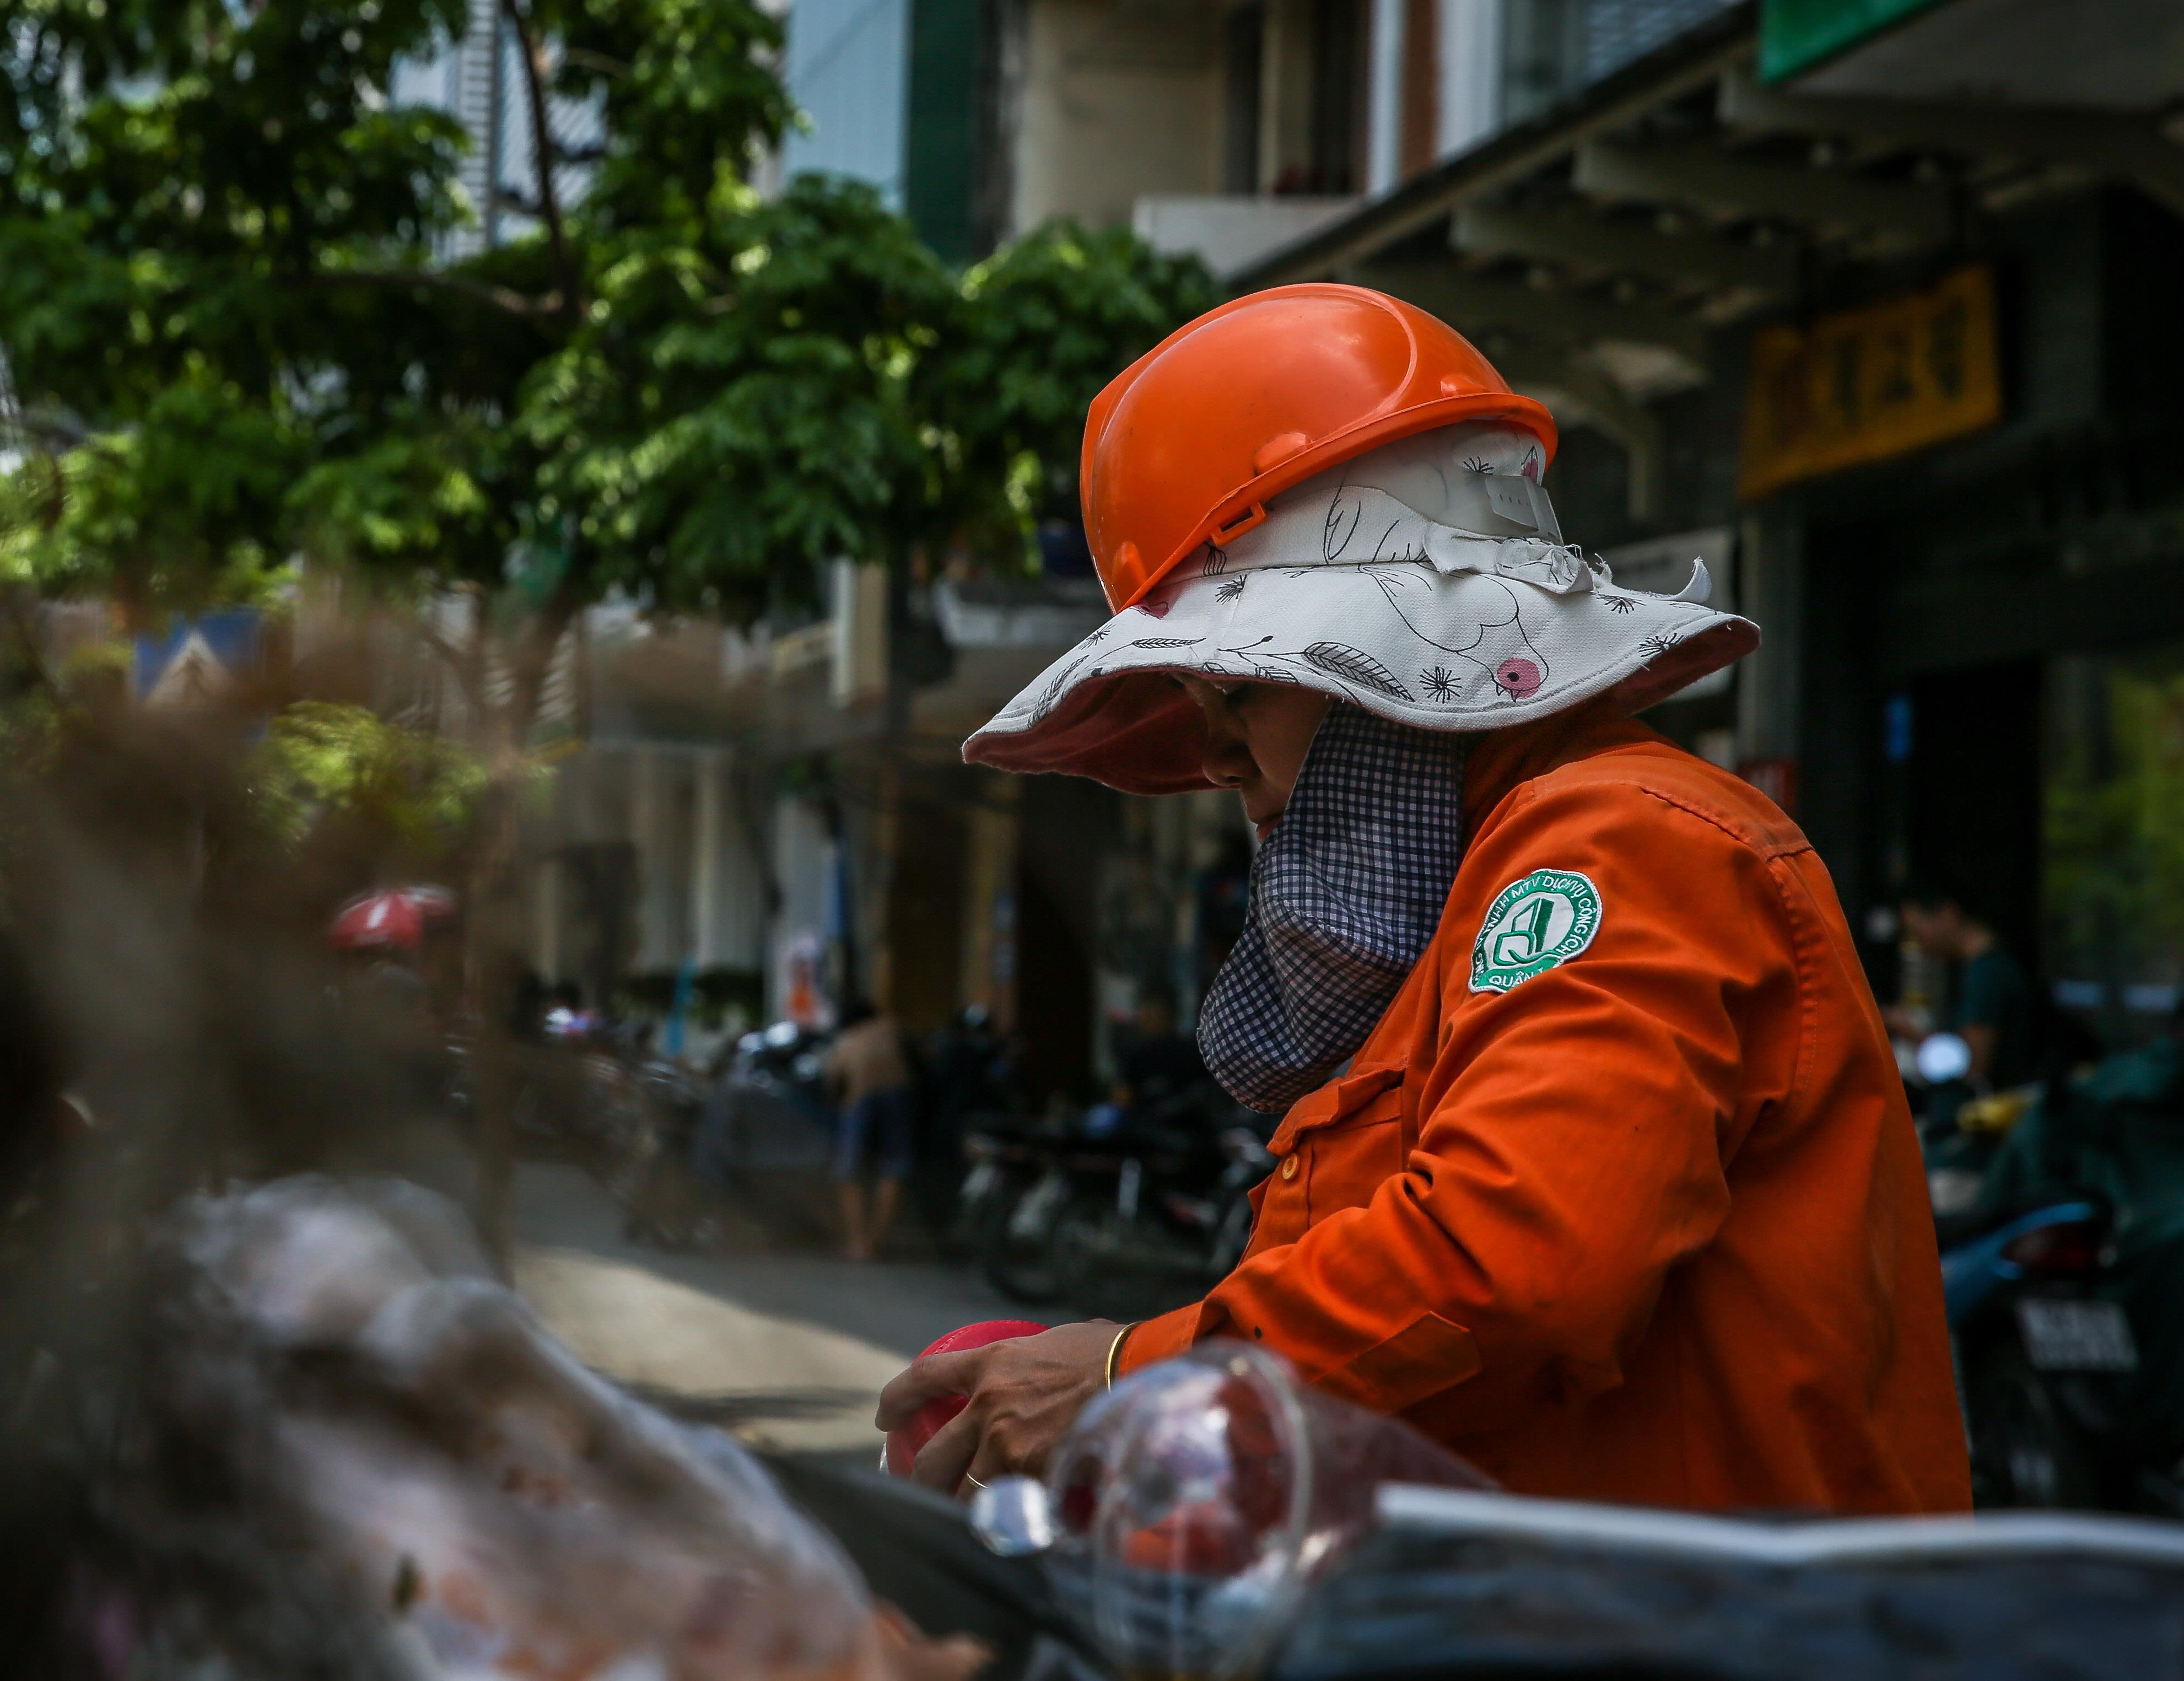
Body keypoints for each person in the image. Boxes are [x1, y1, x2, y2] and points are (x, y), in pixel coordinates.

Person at [875, 284, 1966, 1515]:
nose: (1216, 758)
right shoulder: (1484, 884)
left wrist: (1130, 1374)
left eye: (1235, 693)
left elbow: (1514, 1267)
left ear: (1392, 669)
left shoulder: (1614, 841)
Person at [1897, 879, 2052, 1087]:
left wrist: (1912, 1033)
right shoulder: (1982, 967)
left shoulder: (1988, 972)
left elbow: (1972, 1066)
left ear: (1947, 914)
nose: (1919, 944)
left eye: (1917, 932)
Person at [824, 996, 914, 1260]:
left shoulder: (847, 1040)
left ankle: (858, 1242)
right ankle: (877, 1240)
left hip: (860, 1096)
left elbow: (833, 1083)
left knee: (848, 1171)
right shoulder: (893, 1028)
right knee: (894, 1167)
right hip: (900, 1094)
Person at [1108, 982, 1202, 1112]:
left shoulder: (1189, 1050)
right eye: (1147, 1013)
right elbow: (1123, 1096)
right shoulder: (1135, 1052)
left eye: (1157, 1014)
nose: (1150, 1019)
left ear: (1170, 1016)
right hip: (1143, 1121)